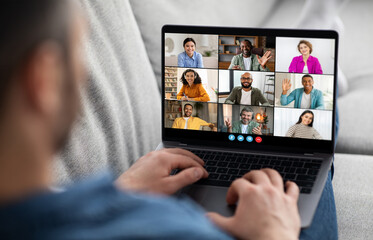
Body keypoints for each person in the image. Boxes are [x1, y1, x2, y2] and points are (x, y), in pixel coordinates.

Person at [0, 1, 336, 239]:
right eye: (78, 50)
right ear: (43, 80)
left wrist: (117, 194)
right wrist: (273, 232)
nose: (85, 73)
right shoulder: (172, 228)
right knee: (311, 153)